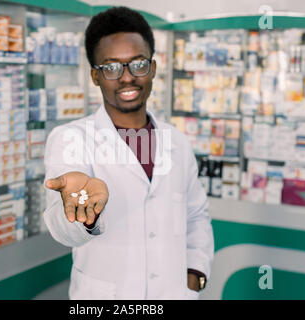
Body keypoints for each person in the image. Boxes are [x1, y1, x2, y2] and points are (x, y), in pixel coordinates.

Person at [43, 6, 214, 300]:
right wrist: (85, 213)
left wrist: (196, 273)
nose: (126, 78)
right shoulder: (70, 139)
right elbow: (62, 228)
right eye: (111, 67)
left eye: (137, 64)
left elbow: (197, 214)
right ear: (95, 76)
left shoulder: (177, 142)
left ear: (153, 69)